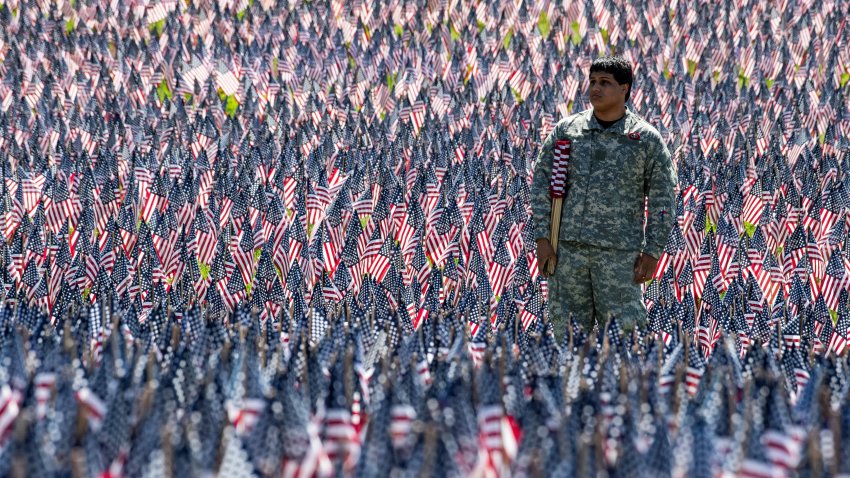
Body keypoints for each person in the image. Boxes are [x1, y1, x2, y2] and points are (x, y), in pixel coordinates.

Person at [531, 55, 676, 334]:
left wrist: (653, 251)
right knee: (567, 338)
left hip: (619, 257)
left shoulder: (645, 139)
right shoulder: (568, 131)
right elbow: (542, 185)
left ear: (625, 88)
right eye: (593, 81)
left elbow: (662, 199)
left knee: (626, 338)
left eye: (605, 83)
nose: (595, 88)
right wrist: (543, 237)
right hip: (568, 253)